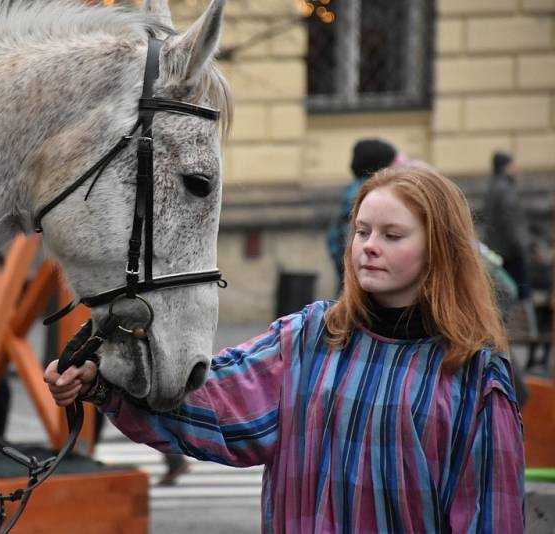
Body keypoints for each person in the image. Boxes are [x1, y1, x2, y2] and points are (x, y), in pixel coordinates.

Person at [46, 165, 525, 532]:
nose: (368, 247)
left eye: (391, 235)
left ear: (438, 249)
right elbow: (216, 399)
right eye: (362, 231)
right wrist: (110, 379)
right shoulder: (311, 337)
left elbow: (490, 516)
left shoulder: (473, 379)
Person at [327, 138, 405, 289]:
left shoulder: (351, 192)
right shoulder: (367, 197)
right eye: (362, 232)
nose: (369, 245)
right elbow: (342, 243)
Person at [482, 151, 538, 343]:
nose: (517, 168)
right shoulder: (506, 190)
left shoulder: (492, 187)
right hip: (511, 253)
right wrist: (524, 247)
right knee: (520, 294)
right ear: (506, 166)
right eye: (513, 164)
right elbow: (512, 223)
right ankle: (528, 336)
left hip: (497, 251)